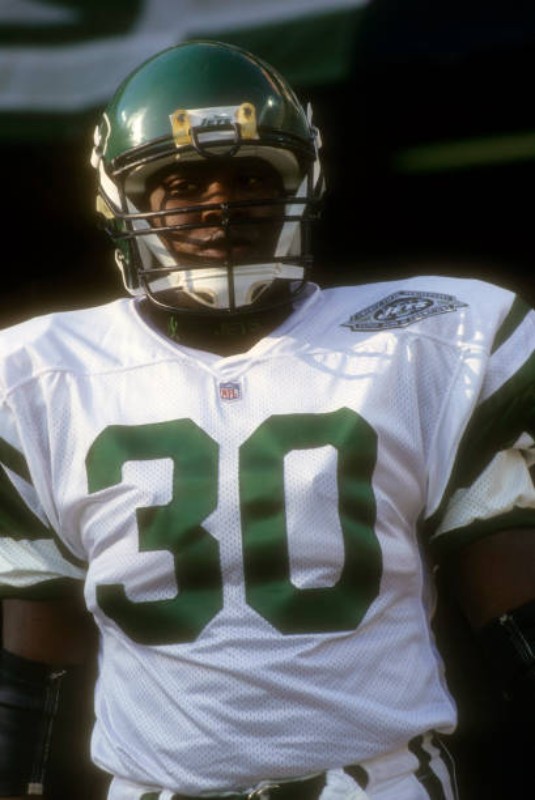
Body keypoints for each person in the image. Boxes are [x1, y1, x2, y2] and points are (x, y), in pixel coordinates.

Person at [1, 39, 535, 800]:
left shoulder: (432, 339)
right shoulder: (35, 377)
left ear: (302, 183)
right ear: (124, 201)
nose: (220, 205)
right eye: (182, 183)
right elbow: (25, 667)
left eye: (252, 176)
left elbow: (518, 616)